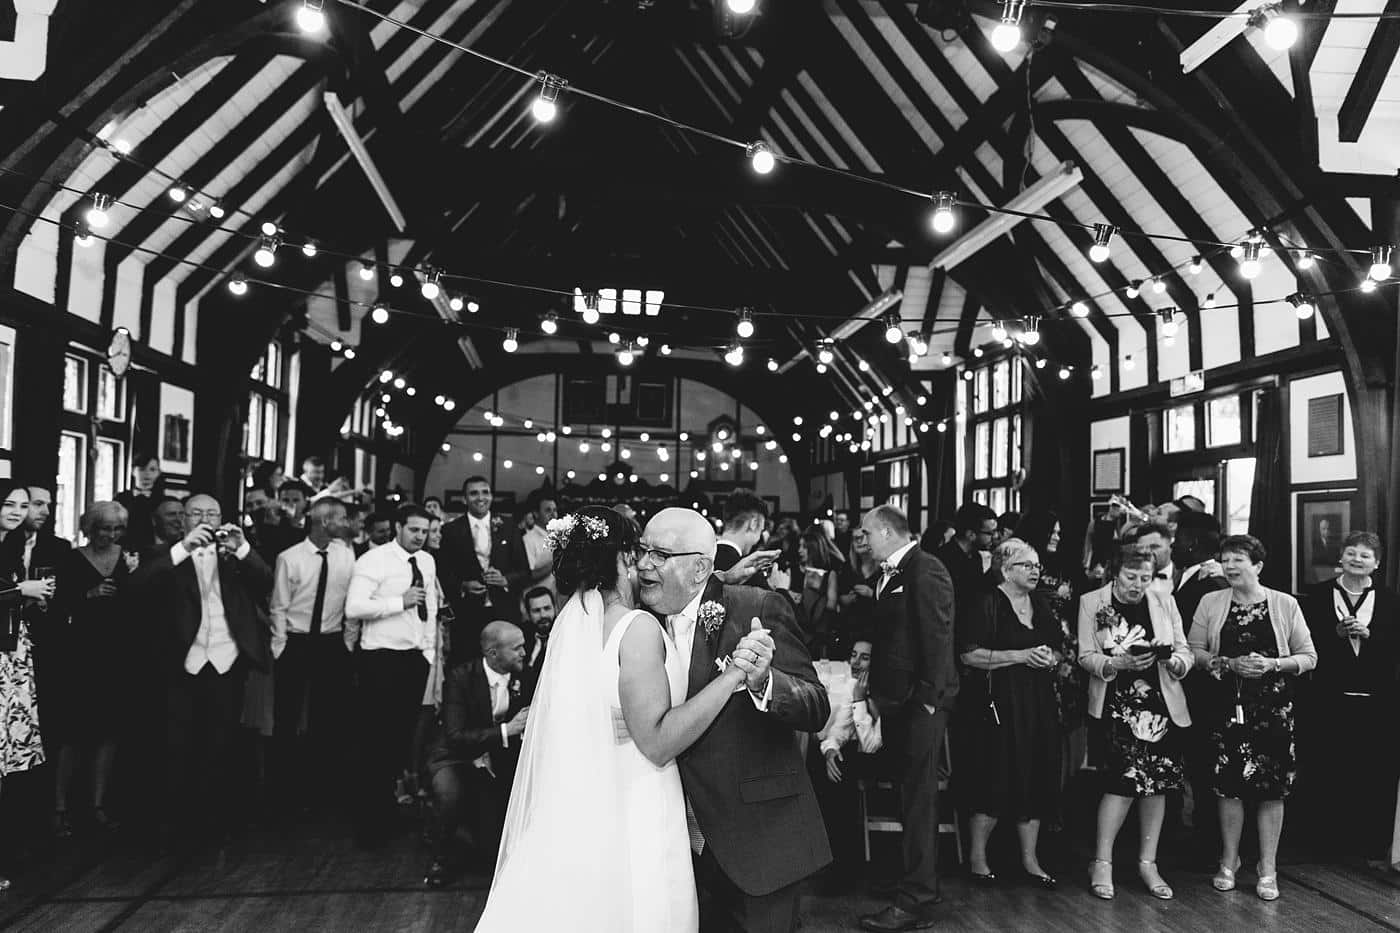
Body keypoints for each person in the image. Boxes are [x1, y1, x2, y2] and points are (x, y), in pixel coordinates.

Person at [475, 506, 814, 932]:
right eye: (641, 551)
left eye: (658, 554)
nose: (646, 563)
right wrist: (733, 676)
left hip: (751, 833)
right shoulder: (638, 625)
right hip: (641, 805)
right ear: (618, 559)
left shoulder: (581, 621)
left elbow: (813, 703)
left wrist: (764, 679)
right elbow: (654, 739)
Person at [129, 492, 273, 844]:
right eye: (196, 513)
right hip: (180, 662)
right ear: (183, 520)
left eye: (212, 512)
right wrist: (182, 550)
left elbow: (266, 583)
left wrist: (242, 549)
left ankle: (214, 821)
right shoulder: (162, 555)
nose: (203, 518)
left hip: (226, 659)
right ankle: (175, 822)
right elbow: (137, 589)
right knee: (175, 744)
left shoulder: (234, 554)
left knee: (220, 742)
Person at [1188, 534, 1316, 901]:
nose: (1229, 566)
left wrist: (1272, 664)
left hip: (1272, 709)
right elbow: (1195, 651)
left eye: (1237, 560)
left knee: (1271, 791)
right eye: (1225, 560)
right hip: (1225, 708)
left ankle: (1268, 867)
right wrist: (1228, 663)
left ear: (1257, 566)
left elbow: (1308, 656)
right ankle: (1229, 861)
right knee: (1229, 787)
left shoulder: (1284, 604)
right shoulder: (1210, 601)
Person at [857, 505, 958, 933]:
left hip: (921, 706)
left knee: (919, 802)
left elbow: (938, 636)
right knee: (907, 796)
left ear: (885, 531)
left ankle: (917, 898)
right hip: (899, 703)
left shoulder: (925, 569)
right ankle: (911, 881)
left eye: (866, 532)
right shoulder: (893, 572)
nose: (862, 539)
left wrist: (929, 700)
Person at [1078, 548, 1193, 900]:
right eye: (1130, 577)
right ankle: (1102, 861)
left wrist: (1175, 664)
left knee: (1156, 785)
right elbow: (1085, 655)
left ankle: (1148, 862)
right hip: (1117, 703)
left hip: (1160, 703)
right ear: (1115, 572)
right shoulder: (1091, 601)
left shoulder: (1164, 601)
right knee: (1121, 784)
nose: (1137, 586)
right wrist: (1117, 665)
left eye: (1145, 578)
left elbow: (1185, 650)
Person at [956, 538, 1060, 892]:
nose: (1035, 571)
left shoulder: (1041, 603)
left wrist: (1051, 659)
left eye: (1036, 566)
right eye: (1026, 565)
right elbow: (969, 655)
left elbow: (1058, 649)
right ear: (1005, 568)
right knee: (995, 774)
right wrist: (1020, 656)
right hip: (997, 703)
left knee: (1033, 773)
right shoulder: (986, 603)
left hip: (1037, 701)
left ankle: (1030, 859)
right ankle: (977, 856)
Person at [1302, 531, 1400, 859]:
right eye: (1351, 553)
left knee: (1371, 771)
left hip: (1378, 700)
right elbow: (1304, 644)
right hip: (1328, 698)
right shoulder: (1315, 596)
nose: (1357, 559)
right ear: (1340, 558)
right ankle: (1326, 842)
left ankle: (1368, 843)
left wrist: (1372, 636)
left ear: (1377, 563)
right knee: (1328, 768)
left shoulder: (1390, 600)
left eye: (1366, 555)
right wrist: (1335, 634)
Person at [345, 504, 438, 846]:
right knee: (374, 744)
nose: (420, 536)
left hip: (414, 659)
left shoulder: (427, 561)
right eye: (414, 530)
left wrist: (427, 652)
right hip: (380, 660)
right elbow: (353, 608)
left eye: (425, 531)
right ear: (399, 527)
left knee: (400, 742)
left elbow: (429, 609)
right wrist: (399, 603)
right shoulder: (374, 561)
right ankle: (369, 825)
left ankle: (388, 815)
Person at [50, 502, 137, 837]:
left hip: (117, 657)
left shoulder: (129, 559)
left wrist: (134, 575)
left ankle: (97, 805)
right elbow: (57, 608)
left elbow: (140, 603)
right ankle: (59, 809)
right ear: (90, 528)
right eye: (104, 529)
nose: (111, 535)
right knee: (72, 735)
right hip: (80, 658)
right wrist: (89, 593)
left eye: (117, 529)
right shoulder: (72, 559)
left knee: (109, 733)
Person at [424, 621, 530, 887]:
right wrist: (508, 729)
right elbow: (456, 736)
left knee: (488, 848)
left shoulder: (523, 676)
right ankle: (440, 859)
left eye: (523, 646)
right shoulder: (460, 677)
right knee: (450, 795)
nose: (523, 652)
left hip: (494, 757)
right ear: (493, 654)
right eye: (516, 648)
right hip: (453, 756)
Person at [269, 498, 355, 811]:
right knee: (287, 715)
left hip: (332, 643)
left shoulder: (346, 556)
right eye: (341, 518)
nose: (346, 524)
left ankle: (321, 789)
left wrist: (347, 641)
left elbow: (350, 603)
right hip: (296, 641)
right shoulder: (289, 558)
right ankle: (282, 790)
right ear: (324, 521)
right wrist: (280, 646)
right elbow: (278, 606)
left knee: (329, 716)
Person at [0, 484, 57, 891]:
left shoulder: (10, 547)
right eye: (8, 504)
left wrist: (27, 602)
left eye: (24, 505)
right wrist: (21, 591)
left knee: (6, 770)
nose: (18, 511)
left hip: (11, 661)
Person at [437, 476, 529, 653]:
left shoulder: (509, 526)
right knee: (467, 661)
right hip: (467, 612)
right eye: (473, 493)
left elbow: (525, 571)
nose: (480, 498)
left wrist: (505, 580)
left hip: (504, 609)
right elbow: (443, 572)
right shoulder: (450, 530)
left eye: (485, 492)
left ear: (492, 496)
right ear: (464, 499)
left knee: (506, 659)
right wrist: (462, 586)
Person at [936, 503, 997, 605]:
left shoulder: (975, 556)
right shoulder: (943, 559)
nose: (995, 537)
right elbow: (969, 595)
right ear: (971, 535)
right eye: (990, 533)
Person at [798, 525, 843, 657]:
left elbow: (831, 607)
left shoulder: (829, 574)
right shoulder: (794, 570)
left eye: (804, 547)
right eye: (799, 546)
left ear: (814, 548)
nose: (799, 550)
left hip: (819, 636)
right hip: (797, 630)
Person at [713, 492, 771, 586]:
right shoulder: (748, 573)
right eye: (761, 530)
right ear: (753, 523)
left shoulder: (701, 561)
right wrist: (781, 589)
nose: (759, 538)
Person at [115, 452, 164, 552]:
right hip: (122, 550)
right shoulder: (121, 499)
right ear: (133, 471)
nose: (147, 474)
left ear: (159, 473)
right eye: (142, 469)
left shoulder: (162, 501)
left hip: (154, 552)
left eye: (152, 469)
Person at [1122, 521, 1176, 595]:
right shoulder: (1125, 574)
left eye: (1154, 547)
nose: (1148, 552)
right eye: (1142, 547)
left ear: (1170, 547)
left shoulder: (1185, 576)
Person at [519, 585, 554, 699]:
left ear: (555, 608)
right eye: (536, 611)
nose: (543, 615)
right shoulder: (521, 634)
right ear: (528, 613)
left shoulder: (564, 633)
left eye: (547, 608)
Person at [519, 494, 557, 599]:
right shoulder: (528, 539)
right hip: (536, 600)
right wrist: (557, 561)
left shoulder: (559, 537)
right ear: (536, 514)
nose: (553, 514)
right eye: (548, 510)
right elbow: (529, 575)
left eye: (555, 510)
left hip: (557, 599)